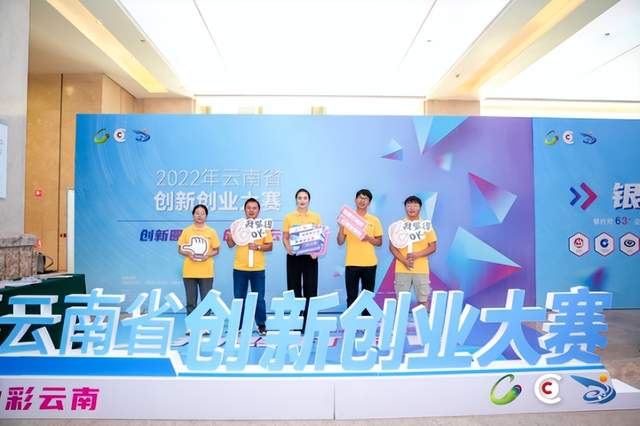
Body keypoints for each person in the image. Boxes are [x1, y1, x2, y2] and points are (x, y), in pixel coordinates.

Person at [226, 198, 273, 336]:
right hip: (240, 269)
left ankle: (261, 325)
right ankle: (238, 326)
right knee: (239, 298)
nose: (251, 210)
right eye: (249, 208)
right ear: (245, 210)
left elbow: (270, 246)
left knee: (259, 298)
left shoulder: (263, 226)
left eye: (254, 208)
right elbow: (230, 245)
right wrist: (230, 237)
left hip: (258, 269)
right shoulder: (238, 226)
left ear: (259, 210)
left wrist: (257, 247)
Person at [282, 188, 322, 330]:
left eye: (305, 198)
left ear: (309, 200)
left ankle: (309, 322)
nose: (302, 200)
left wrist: (316, 251)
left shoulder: (315, 217)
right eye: (299, 198)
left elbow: (319, 238)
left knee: (311, 288)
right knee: (294, 288)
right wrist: (289, 248)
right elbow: (285, 237)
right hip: (294, 257)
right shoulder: (289, 217)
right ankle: (296, 321)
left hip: (310, 258)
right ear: (296, 200)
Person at [337, 189, 383, 310]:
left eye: (365, 199)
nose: (362, 201)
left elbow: (379, 242)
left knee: (367, 297)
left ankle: (366, 320)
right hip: (351, 263)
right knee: (351, 296)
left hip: (370, 264)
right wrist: (341, 227)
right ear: (355, 199)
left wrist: (368, 238)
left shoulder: (374, 220)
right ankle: (351, 320)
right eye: (360, 198)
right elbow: (340, 242)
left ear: (369, 202)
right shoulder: (348, 218)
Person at [389, 195, 437, 309]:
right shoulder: (398, 225)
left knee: (423, 299)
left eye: (415, 205)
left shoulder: (426, 225)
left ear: (420, 207)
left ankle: (423, 320)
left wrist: (417, 255)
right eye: (409, 205)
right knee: (401, 300)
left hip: (421, 269)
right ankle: (400, 321)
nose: (412, 208)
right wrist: (404, 261)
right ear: (405, 207)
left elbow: (433, 247)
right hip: (402, 269)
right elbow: (392, 247)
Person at [178, 204, 220, 323]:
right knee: (191, 302)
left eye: (202, 213)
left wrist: (208, 255)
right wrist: (188, 253)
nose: (200, 216)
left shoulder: (211, 232)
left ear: (206, 216)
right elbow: (180, 249)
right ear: (193, 215)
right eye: (197, 213)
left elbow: (216, 250)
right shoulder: (187, 231)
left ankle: (205, 326)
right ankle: (191, 325)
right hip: (189, 272)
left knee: (206, 301)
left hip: (206, 272)